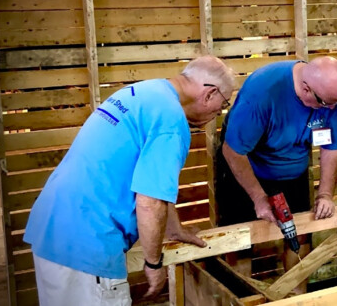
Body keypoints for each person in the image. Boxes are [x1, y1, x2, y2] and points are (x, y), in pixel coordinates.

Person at [23, 55, 235, 306]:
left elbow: (153, 184)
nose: (216, 114)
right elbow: (150, 201)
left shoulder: (144, 92)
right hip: (88, 245)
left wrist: (173, 229)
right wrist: (153, 263)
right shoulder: (171, 120)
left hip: (52, 228)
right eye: (221, 106)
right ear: (209, 94)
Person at [215, 56, 337, 292]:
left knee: (300, 233)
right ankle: (243, 297)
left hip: (292, 170)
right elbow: (233, 151)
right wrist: (258, 197)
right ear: (306, 88)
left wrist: (326, 194)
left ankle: (297, 295)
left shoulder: (326, 97)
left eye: (333, 104)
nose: (330, 110)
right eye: (325, 103)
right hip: (248, 170)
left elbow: (331, 147)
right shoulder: (262, 94)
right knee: (241, 240)